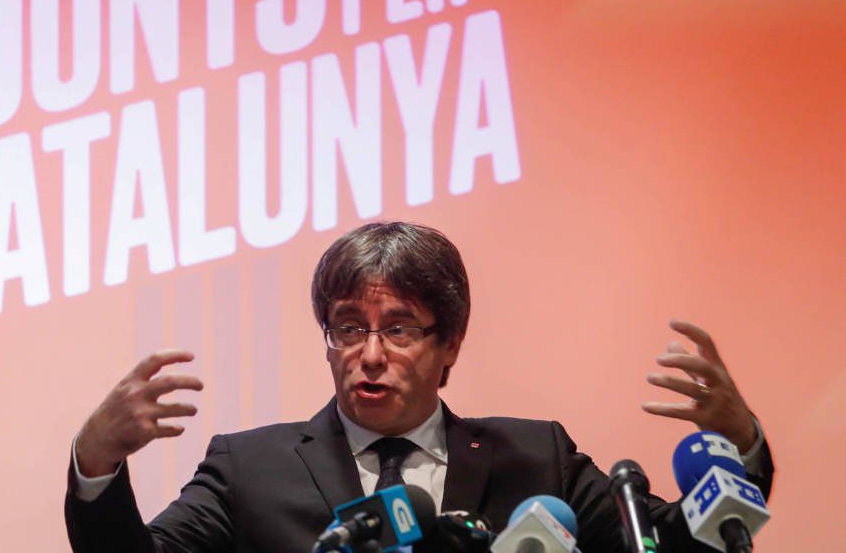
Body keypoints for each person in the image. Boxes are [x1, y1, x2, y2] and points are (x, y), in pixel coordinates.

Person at [65, 222, 773, 552]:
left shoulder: (536, 458)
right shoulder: (249, 469)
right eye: (349, 328)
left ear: (450, 343)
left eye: (399, 329)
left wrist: (739, 445)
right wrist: (96, 463)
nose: (369, 355)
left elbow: (680, 545)